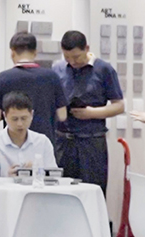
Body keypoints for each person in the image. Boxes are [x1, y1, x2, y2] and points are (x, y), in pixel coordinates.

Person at [52, 30, 124, 194]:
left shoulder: (104, 69)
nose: (72, 61)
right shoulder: (57, 69)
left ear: (87, 48)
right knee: (62, 192)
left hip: (91, 141)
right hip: (63, 141)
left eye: (76, 57)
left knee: (93, 190)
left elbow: (119, 105)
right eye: (67, 57)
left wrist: (92, 113)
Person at [0, 32, 67, 142]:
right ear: (35, 53)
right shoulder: (52, 76)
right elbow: (62, 115)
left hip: (14, 142)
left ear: (12, 53)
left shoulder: (3, 78)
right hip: (44, 141)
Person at [0, 92, 58, 177]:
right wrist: (8, 178)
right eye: (14, 119)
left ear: (31, 114)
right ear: (5, 116)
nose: (20, 124)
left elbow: (53, 176)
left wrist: (36, 172)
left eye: (24, 118)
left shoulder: (43, 142)